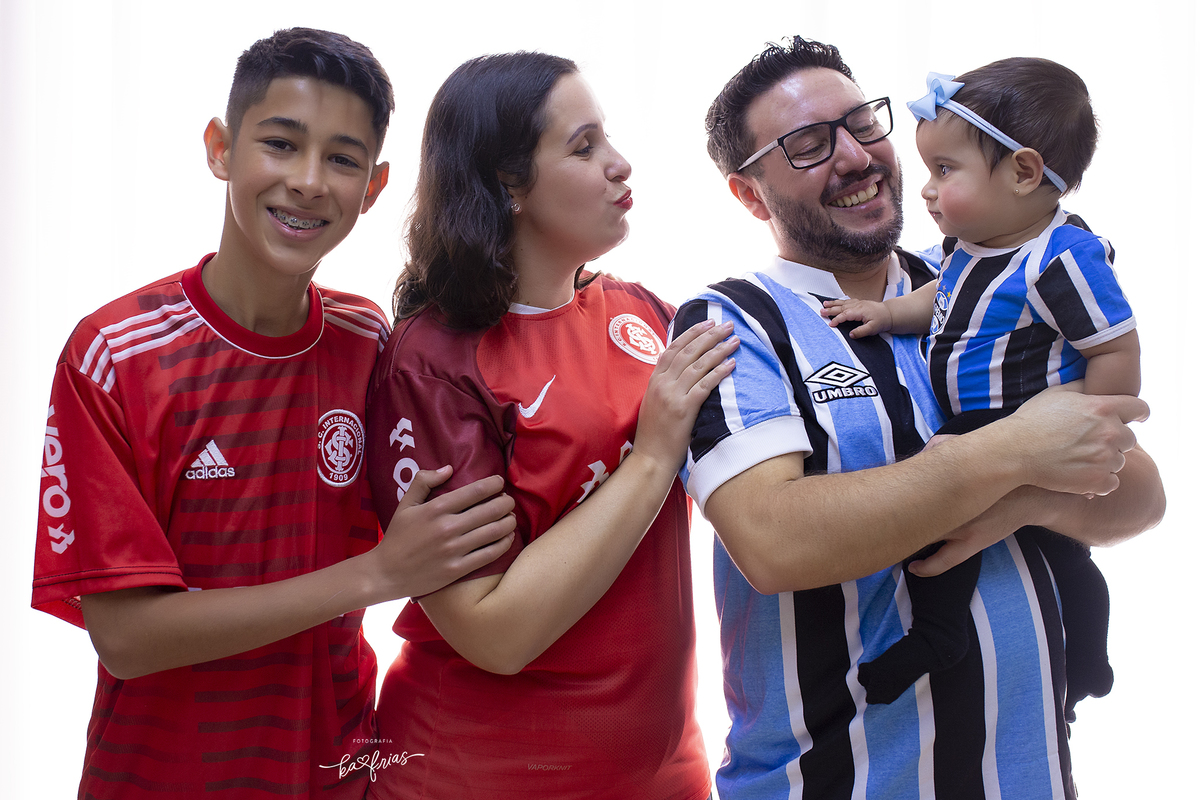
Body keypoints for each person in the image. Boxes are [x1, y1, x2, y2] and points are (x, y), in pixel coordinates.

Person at [672, 37, 1164, 800]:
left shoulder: (992, 276)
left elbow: (1139, 495)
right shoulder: (733, 322)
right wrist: (1011, 453)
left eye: (862, 123)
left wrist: (1022, 502)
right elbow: (771, 541)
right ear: (750, 195)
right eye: (808, 144)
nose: (854, 156)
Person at [31, 28, 517, 800]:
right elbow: (125, 637)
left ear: (374, 186)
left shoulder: (370, 341)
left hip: (338, 776)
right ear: (221, 148)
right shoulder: (115, 354)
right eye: (282, 144)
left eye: (342, 159)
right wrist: (376, 574)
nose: (309, 181)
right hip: (156, 782)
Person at [362, 52, 735, 800]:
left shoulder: (644, 314)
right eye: (584, 146)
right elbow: (493, 632)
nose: (620, 164)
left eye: (608, 138)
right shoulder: (433, 362)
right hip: (481, 775)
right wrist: (651, 458)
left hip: (664, 769)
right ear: (508, 184)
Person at [819, 58, 1138, 710]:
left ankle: (941, 634)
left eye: (945, 170)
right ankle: (1087, 661)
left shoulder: (1063, 258)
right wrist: (887, 314)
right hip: (998, 425)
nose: (927, 190)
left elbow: (1115, 345)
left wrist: (1098, 425)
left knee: (945, 482)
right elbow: (941, 297)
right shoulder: (969, 246)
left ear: (1023, 173)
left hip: (1020, 418)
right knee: (1065, 552)